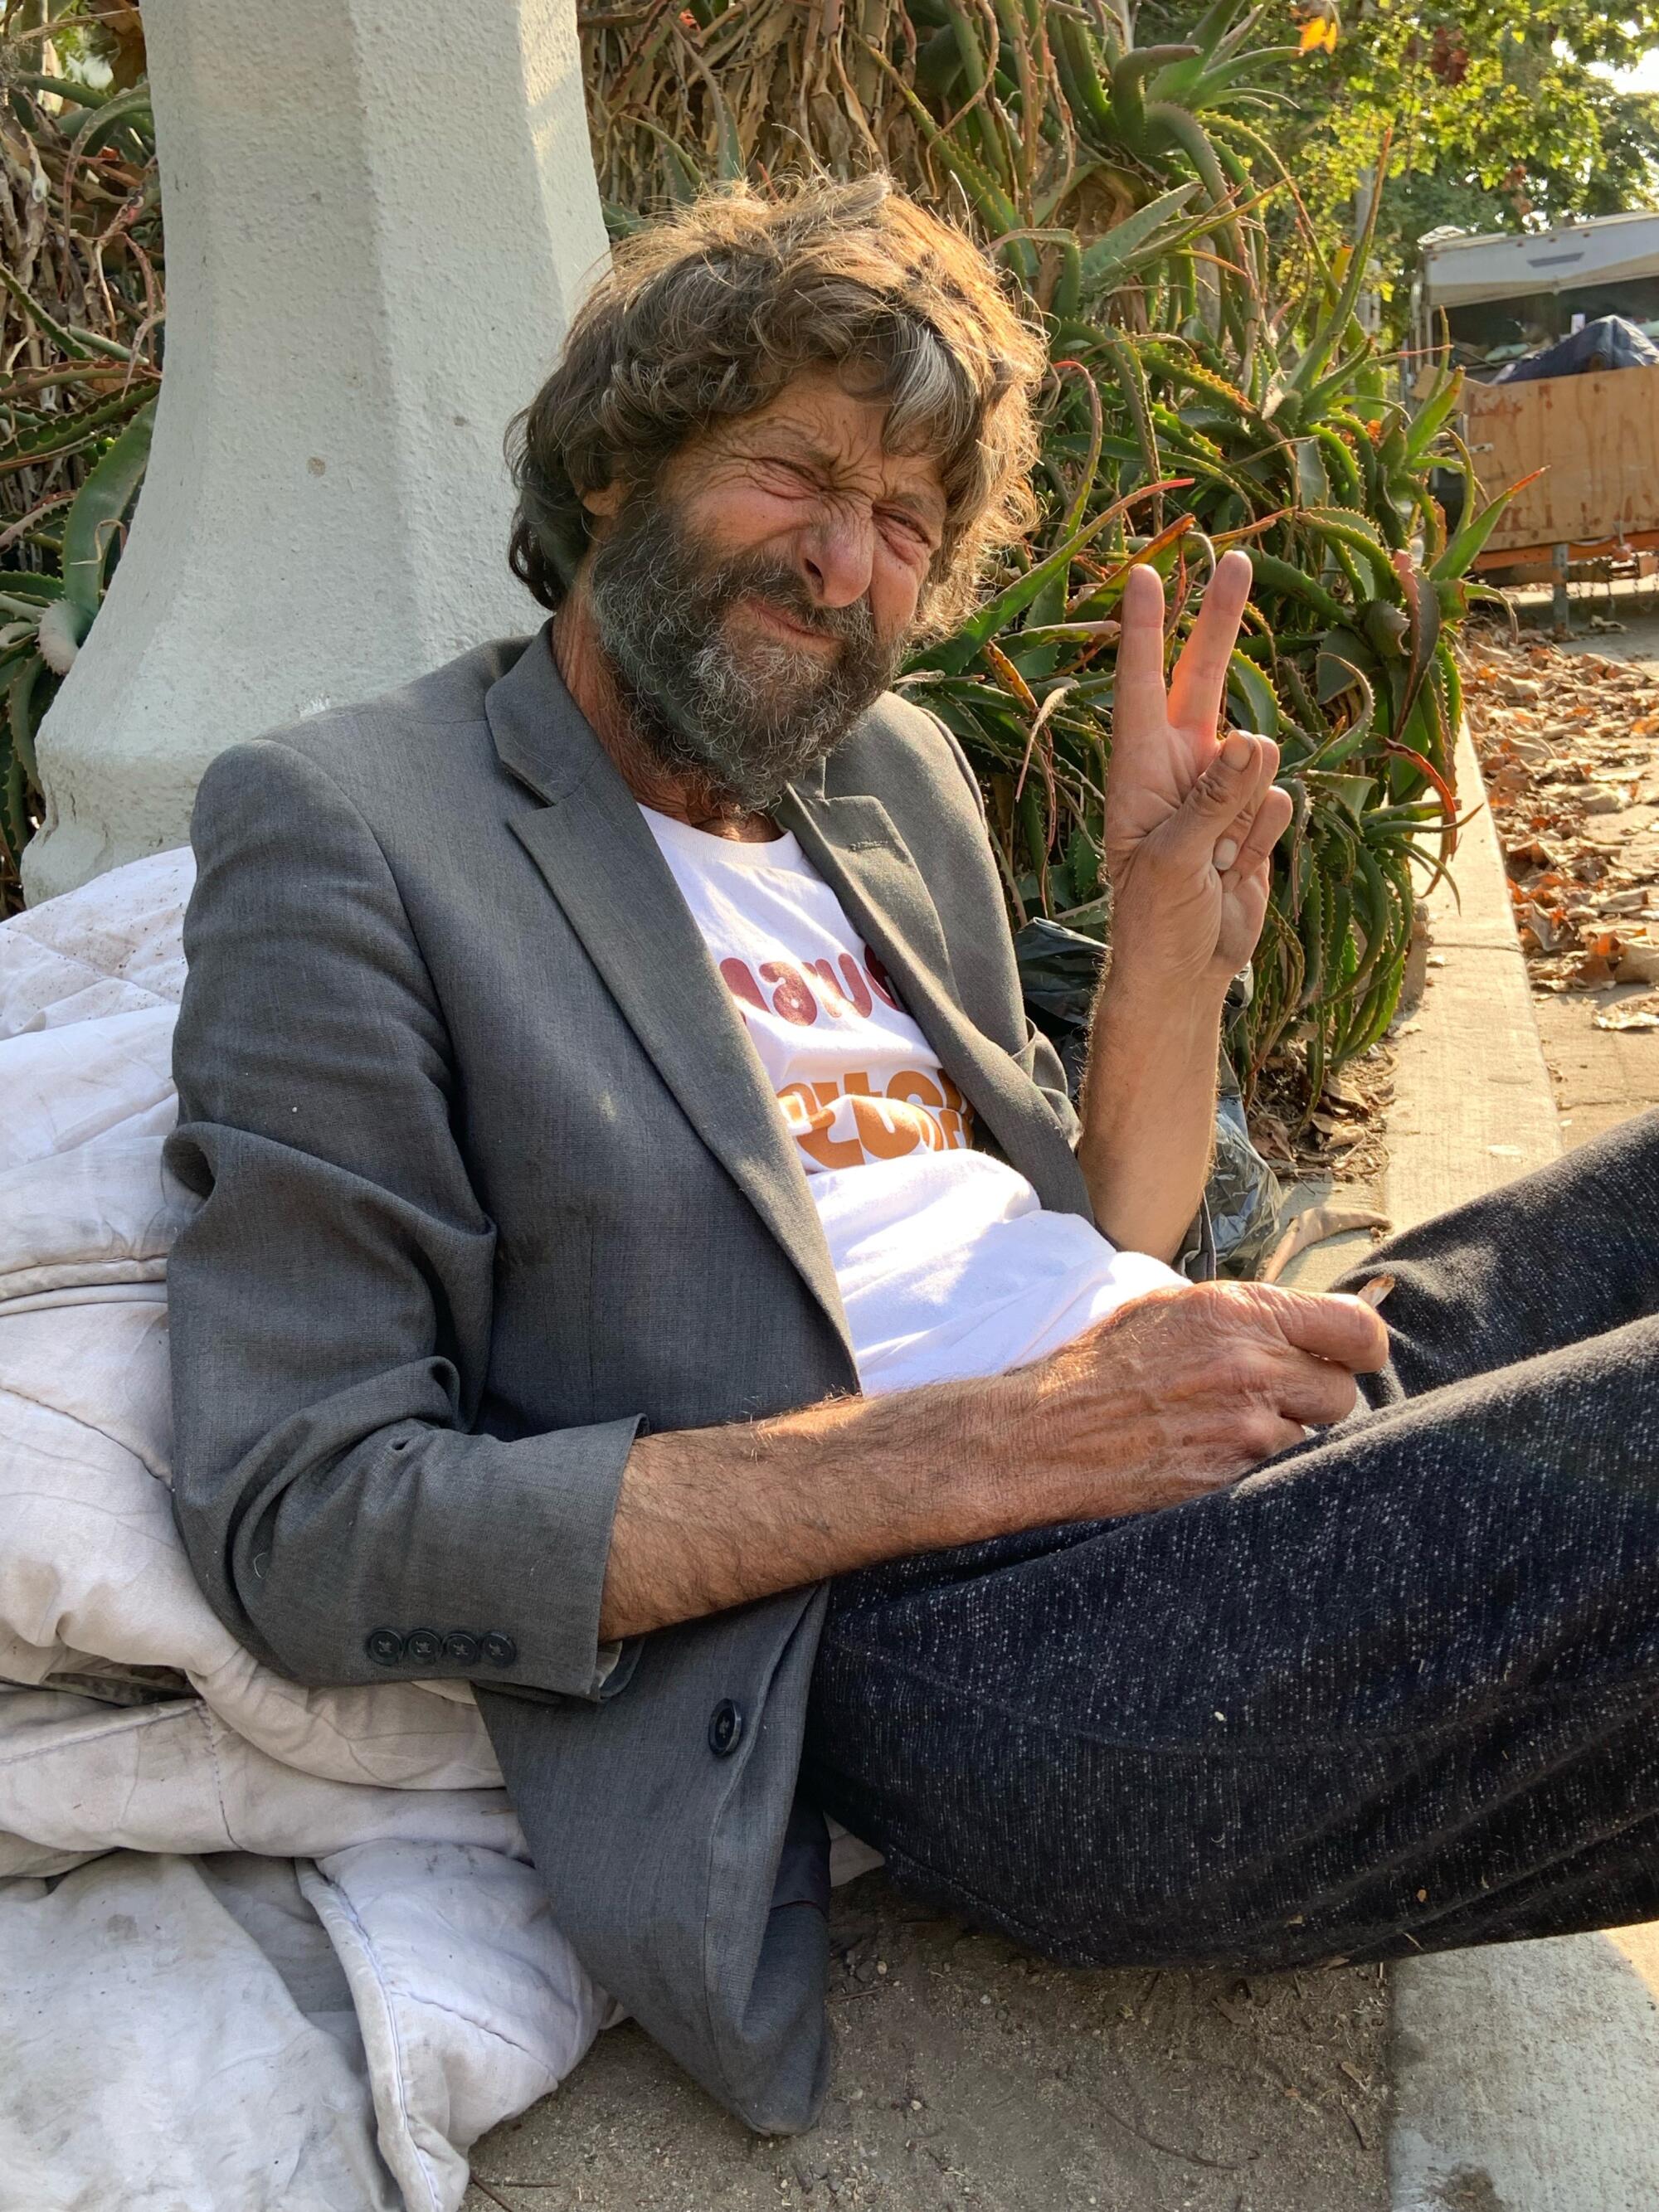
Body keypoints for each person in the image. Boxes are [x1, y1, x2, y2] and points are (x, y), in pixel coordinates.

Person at [163, 174, 1659, 2134]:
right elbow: (310, 1519)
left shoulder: (889, 779)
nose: (848, 562)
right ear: (614, 467)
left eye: (906, 524)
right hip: (970, 1639)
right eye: (795, 471)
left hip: (1203, 1445)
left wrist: (1157, 947)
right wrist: (1007, 1441)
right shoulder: (359, 822)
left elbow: (1082, 1229)